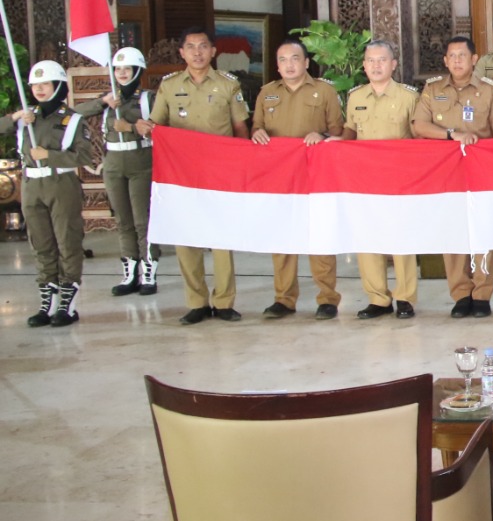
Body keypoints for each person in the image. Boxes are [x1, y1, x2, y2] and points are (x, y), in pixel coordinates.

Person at [412, 35, 493, 317]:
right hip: (446, 175)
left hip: (481, 173)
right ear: (445, 61)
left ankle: (482, 294)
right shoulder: (432, 90)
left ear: (474, 59)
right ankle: (460, 294)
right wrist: (451, 135)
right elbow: (418, 126)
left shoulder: (490, 90)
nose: (457, 61)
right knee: (453, 234)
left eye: (463, 56)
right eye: (452, 56)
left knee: (482, 234)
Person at [150, 27, 250, 324]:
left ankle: (223, 302)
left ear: (213, 51)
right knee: (186, 237)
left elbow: (240, 128)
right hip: (182, 175)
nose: (197, 52)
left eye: (203, 46)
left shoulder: (228, 85)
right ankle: (196, 302)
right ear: (181, 53)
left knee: (221, 238)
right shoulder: (168, 86)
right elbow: (158, 127)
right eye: (190, 47)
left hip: (219, 174)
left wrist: (241, 165)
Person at [252, 39, 345, 319]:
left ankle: (327, 298)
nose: (289, 64)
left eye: (295, 59)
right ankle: (284, 298)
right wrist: (256, 133)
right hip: (279, 179)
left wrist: (323, 136)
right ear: (277, 65)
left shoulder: (324, 91)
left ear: (306, 62)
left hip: (315, 177)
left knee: (320, 235)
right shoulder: (266, 93)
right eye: (283, 60)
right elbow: (257, 125)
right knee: (282, 238)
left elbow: (339, 132)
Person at [2, 60, 91, 326]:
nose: (39, 89)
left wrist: (49, 155)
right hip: (31, 186)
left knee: (67, 241)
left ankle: (67, 303)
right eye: (35, 85)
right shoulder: (26, 118)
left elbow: (84, 155)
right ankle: (47, 302)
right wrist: (16, 117)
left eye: (45, 84)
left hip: (60, 183)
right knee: (41, 244)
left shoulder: (72, 119)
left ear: (58, 86)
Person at [343, 40, 422, 320]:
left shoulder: (409, 97)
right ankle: (378, 298)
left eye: (382, 60)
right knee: (368, 238)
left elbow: (418, 139)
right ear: (364, 66)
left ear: (393, 64)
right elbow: (348, 135)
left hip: (399, 180)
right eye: (371, 61)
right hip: (365, 181)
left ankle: (405, 297)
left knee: (402, 240)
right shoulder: (355, 97)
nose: (376, 66)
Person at [75, 47, 159, 297]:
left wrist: (131, 127)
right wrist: (103, 102)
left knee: (142, 220)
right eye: (118, 69)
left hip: (141, 159)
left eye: (127, 69)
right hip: (113, 161)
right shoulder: (109, 98)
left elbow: (161, 128)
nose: (122, 73)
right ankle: (129, 271)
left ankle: (148, 272)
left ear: (137, 71)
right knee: (122, 221)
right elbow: (75, 114)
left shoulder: (148, 98)